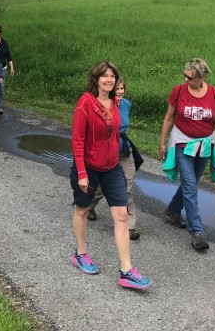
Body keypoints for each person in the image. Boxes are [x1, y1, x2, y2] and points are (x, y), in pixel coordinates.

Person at [70, 61, 154, 291]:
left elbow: (115, 133)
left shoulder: (116, 103)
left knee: (121, 216)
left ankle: (126, 270)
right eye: (104, 76)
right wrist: (81, 173)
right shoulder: (85, 103)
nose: (109, 80)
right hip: (88, 167)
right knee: (82, 209)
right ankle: (80, 253)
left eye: (112, 76)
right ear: (95, 79)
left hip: (112, 167)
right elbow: (77, 140)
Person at [159, 58, 215, 251]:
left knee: (190, 183)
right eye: (184, 75)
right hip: (182, 144)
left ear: (201, 77)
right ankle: (197, 232)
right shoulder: (179, 91)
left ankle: (173, 210)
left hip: (205, 146)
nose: (185, 80)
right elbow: (169, 117)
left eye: (189, 77)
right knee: (191, 186)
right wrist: (162, 143)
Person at [87, 77, 140, 240]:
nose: (120, 92)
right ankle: (88, 206)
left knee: (127, 186)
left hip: (123, 149)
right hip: (107, 150)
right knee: (102, 187)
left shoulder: (126, 104)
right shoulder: (101, 105)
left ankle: (129, 226)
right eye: (117, 89)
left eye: (122, 88)